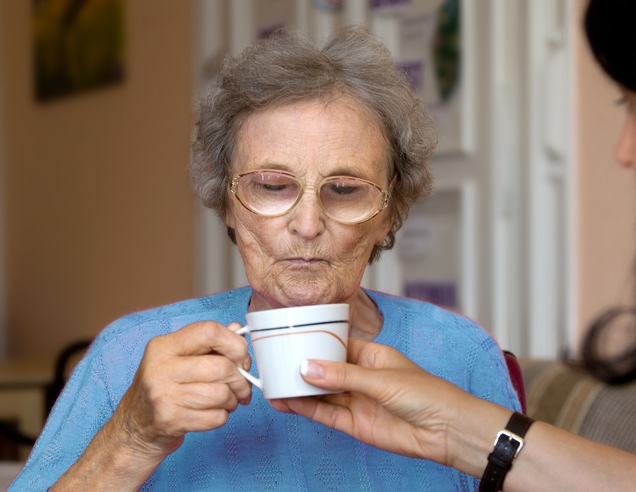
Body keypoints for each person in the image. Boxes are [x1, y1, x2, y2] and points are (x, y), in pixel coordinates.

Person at [10, 27, 520, 491]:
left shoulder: (462, 355)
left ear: (391, 211)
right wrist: (132, 436)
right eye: (273, 186)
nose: (307, 223)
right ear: (226, 203)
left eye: (344, 190)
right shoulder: (128, 355)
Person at [271, 0, 636, 491]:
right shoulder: (168, 343)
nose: (623, 151)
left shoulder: (467, 354)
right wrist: (457, 428)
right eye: (271, 186)